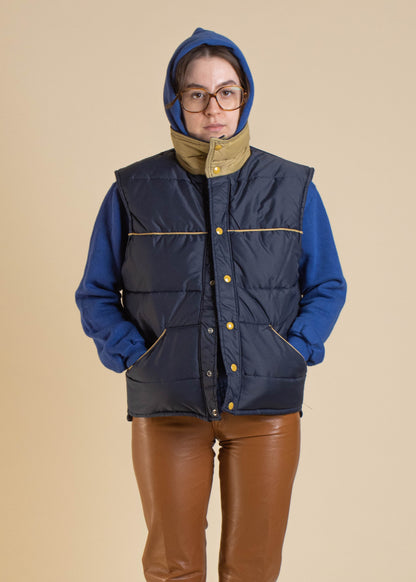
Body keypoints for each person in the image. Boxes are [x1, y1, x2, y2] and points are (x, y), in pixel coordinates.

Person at [75, 27, 346, 582]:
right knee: (171, 568)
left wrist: (291, 352)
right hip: (167, 405)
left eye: (226, 92)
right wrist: (137, 357)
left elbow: (326, 284)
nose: (213, 108)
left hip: (267, 406)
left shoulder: (292, 187)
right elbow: (96, 291)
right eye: (197, 94)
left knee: (254, 569)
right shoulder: (132, 190)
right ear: (175, 101)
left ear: (245, 96)